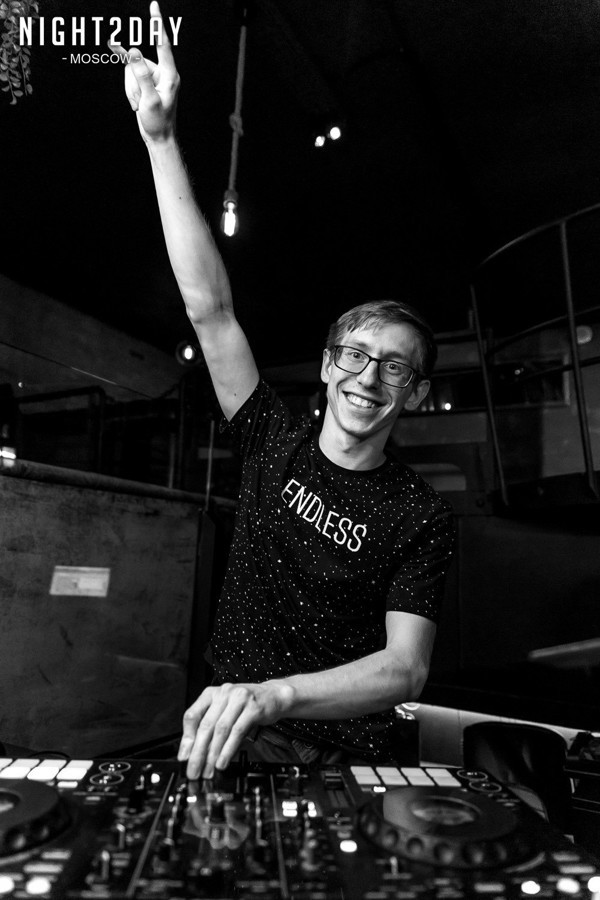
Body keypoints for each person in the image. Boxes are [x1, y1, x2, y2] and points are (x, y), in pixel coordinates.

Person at [116, 2, 455, 780]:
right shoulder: (273, 438)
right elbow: (210, 309)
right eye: (356, 355)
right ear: (330, 365)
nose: (369, 376)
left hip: (345, 756)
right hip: (233, 736)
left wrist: (278, 695)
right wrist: (160, 139)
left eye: (394, 366)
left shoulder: (421, 514)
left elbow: (406, 669)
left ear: (415, 393)